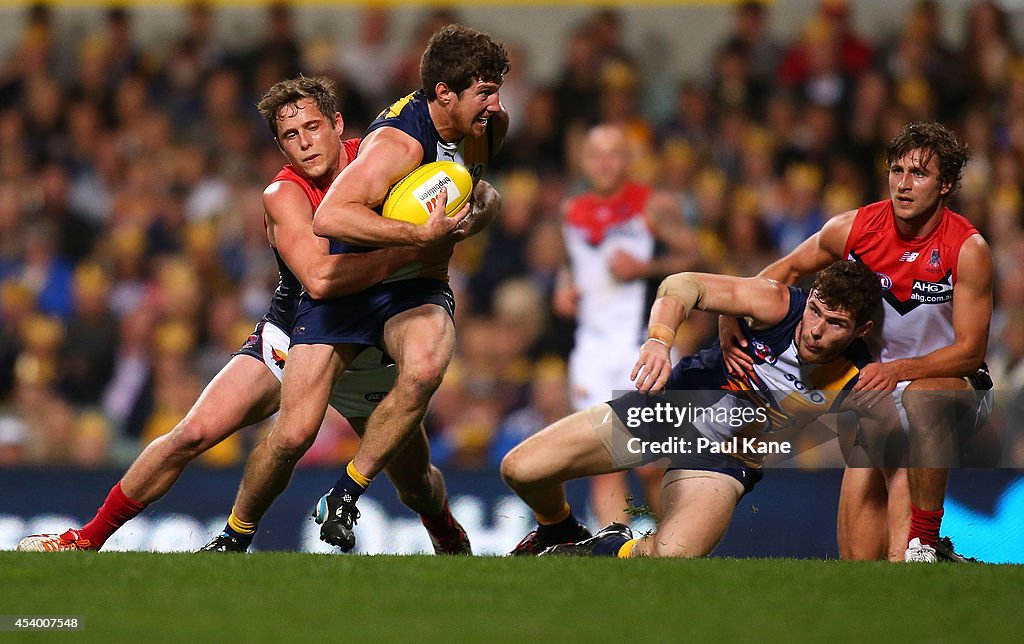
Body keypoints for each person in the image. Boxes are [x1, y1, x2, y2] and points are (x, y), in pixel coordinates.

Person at [18, 76, 468, 554]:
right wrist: (413, 245)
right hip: (295, 337)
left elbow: (470, 188)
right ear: (279, 146)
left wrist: (470, 213)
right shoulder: (283, 194)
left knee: (416, 481)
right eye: (291, 136)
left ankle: (446, 534)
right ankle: (85, 539)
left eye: (314, 127)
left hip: (369, 350)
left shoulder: (384, 160)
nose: (306, 143)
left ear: (337, 124)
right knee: (190, 434)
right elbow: (319, 280)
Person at [217, 25, 509, 553]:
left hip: (414, 289)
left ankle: (351, 494)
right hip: (354, 290)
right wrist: (418, 236)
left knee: (422, 382)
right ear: (445, 93)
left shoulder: (490, 125)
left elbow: (483, 192)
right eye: (485, 92)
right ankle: (233, 537)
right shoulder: (396, 144)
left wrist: (474, 220)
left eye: (495, 90)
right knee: (291, 435)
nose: (495, 103)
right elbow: (330, 217)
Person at [720, 120, 992, 563]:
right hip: (875, 395)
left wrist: (896, 371)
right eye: (897, 171)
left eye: (918, 174)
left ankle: (925, 542)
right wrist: (730, 314)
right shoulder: (854, 228)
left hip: (950, 388)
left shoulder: (967, 248)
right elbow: (783, 272)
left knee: (923, 402)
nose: (903, 185)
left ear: (945, 186)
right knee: (858, 562)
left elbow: (970, 353)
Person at [502, 260, 891, 557]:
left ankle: (601, 547)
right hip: (670, 410)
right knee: (520, 469)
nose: (816, 330)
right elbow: (681, 285)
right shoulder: (778, 304)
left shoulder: (863, 376)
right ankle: (558, 530)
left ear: (860, 330)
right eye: (816, 311)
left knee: (672, 555)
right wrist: (658, 341)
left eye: (835, 323)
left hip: (724, 460)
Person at [554, 123, 698, 526]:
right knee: (605, 464)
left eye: (613, 153)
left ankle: (675, 545)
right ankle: (617, 550)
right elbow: (572, 264)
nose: (603, 163)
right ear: (584, 161)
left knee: (652, 462)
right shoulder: (571, 210)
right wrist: (564, 288)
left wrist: (645, 267)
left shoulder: (652, 205)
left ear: (628, 160)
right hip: (592, 350)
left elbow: (693, 257)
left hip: (643, 346)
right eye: (595, 154)